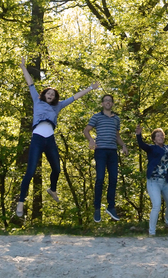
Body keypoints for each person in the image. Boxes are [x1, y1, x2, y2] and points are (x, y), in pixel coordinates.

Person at [16, 56, 99, 219]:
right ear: (44, 94)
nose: (50, 95)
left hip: (50, 139)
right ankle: (20, 202)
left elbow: (75, 97)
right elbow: (30, 83)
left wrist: (90, 88)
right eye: (48, 92)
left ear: (55, 98)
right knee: (30, 171)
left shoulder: (58, 106)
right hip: (38, 138)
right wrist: (23, 67)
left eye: (53, 94)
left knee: (57, 168)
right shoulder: (36, 100)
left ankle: (52, 189)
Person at [84, 93, 128, 222]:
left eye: (110, 101)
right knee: (100, 178)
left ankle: (111, 207)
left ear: (112, 104)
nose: (108, 102)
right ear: (102, 104)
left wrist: (123, 145)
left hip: (113, 151)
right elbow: (86, 130)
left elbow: (117, 136)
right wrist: (91, 141)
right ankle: (97, 209)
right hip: (101, 151)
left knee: (114, 179)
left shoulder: (116, 119)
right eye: (105, 101)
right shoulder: (97, 117)